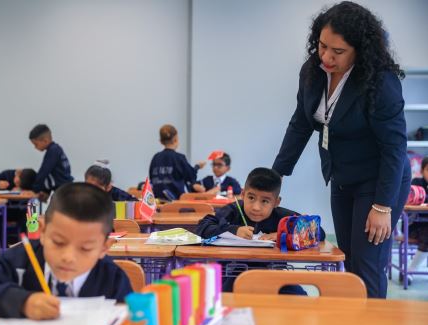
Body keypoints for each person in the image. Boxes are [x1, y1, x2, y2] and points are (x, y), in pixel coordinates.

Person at [272, 1, 410, 298]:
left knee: (367, 265)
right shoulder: (312, 71)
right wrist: (276, 174)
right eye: (322, 46)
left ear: (359, 50)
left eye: (338, 51)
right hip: (342, 176)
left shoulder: (380, 82)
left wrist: (382, 206)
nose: (326, 57)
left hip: (379, 180)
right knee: (346, 261)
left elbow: (395, 147)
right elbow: (301, 122)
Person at [0, 182, 132, 320]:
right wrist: (22, 302)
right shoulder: (19, 261)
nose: (68, 257)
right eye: (58, 242)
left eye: (85, 248)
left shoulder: (113, 279)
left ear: (104, 248)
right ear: (42, 231)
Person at [196, 167, 326, 292]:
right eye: (251, 198)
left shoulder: (283, 217)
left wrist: (283, 234)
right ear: (243, 194)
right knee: (223, 300)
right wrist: (234, 230)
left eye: (265, 201)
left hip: (275, 275)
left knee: (300, 299)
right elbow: (203, 226)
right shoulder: (233, 210)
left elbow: (319, 233)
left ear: (276, 202)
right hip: (233, 274)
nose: (256, 207)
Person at [149, 124, 206, 200]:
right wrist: (197, 166)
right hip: (177, 201)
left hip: (158, 200)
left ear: (161, 141)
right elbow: (191, 176)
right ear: (176, 139)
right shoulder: (179, 158)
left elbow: (151, 178)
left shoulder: (155, 158)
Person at [0, 168, 37, 244]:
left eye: (20, 185)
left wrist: (28, 191)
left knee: (30, 218)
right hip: (5, 209)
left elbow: (37, 189)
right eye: (18, 182)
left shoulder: (30, 177)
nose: (17, 184)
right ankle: (4, 246)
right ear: (17, 173)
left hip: (22, 210)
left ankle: (27, 245)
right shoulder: (6, 175)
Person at [29, 124, 74, 202]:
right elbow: (52, 175)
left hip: (63, 191)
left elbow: (44, 171)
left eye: (36, 144)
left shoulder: (53, 151)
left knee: (32, 200)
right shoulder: (56, 149)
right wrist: (46, 191)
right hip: (64, 188)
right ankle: (33, 214)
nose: (35, 147)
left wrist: (34, 190)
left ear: (45, 140)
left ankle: (32, 214)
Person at [407, 156, 428, 283]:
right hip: (415, 225)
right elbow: (411, 201)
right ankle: (411, 270)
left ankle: (412, 269)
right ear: (422, 170)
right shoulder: (416, 183)